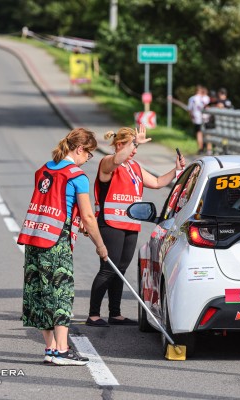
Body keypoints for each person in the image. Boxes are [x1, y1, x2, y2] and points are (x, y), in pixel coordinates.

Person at [18, 128, 108, 366]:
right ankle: (63, 351)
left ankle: (50, 349)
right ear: (80, 149)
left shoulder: (44, 170)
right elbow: (89, 216)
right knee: (60, 293)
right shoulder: (77, 176)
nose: (88, 160)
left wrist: (75, 220)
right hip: (55, 242)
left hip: (34, 237)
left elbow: (53, 205)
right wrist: (100, 245)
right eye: (89, 155)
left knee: (38, 292)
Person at [87, 125, 186, 327]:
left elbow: (158, 182)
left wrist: (176, 170)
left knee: (121, 269)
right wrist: (134, 141)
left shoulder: (135, 167)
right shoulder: (108, 162)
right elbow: (116, 160)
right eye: (132, 146)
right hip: (110, 223)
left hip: (130, 224)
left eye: (136, 148)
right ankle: (93, 315)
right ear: (120, 144)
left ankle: (115, 313)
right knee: (108, 268)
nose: (134, 150)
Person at [188, 85, 210, 154]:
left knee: (199, 133)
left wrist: (191, 117)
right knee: (207, 133)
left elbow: (190, 109)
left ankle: (200, 149)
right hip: (206, 118)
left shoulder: (192, 98)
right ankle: (209, 149)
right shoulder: (206, 98)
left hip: (197, 118)